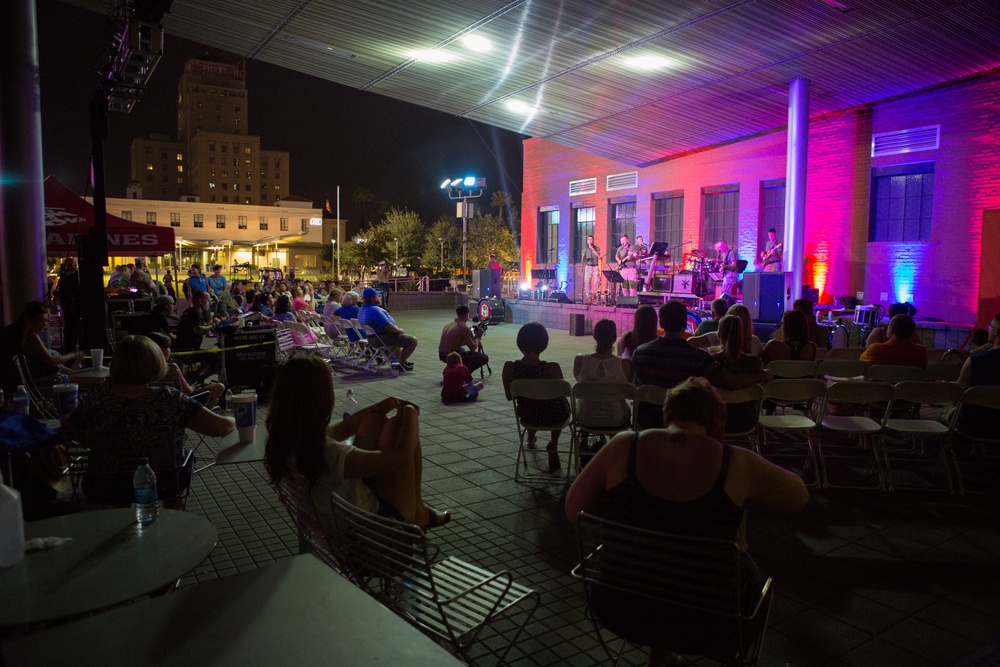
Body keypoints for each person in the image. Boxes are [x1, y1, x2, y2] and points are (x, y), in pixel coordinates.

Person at [564, 377, 808, 667]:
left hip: (620, 606)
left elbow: (573, 509)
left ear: (667, 413)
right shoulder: (735, 462)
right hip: (712, 622)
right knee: (738, 557)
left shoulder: (624, 446)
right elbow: (798, 497)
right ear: (718, 422)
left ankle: (661, 654)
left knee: (657, 562)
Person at [264, 355, 450, 533]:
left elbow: (344, 428)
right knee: (399, 430)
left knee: (374, 421)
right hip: (382, 535)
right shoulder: (328, 454)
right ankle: (419, 514)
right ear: (320, 398)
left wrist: (387, 403)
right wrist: (409, 414)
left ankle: (419, 511)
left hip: (347, 522)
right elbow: (400, 456)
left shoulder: (291, 438)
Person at [69, 335, 234, 505]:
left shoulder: (97, 395)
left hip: (104, 482)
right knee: (178, 464)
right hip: (164, 483)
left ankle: (120, 514)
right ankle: (173, 516)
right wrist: (233, 419)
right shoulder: (169, 399)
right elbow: (220, 428)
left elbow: (74, 430)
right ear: (155, 363)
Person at [632, 301, 771, 429]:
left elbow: (635, 386)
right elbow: (731, 383)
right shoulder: (698, 357)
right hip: (684, 423)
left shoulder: (640, 353)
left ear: (661, 323)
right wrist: (763, 374)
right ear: (684, 323)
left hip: (647, 421)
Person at [502, 322, 571, 471]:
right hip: (555, 416)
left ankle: (530, 438)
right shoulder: (552, 368)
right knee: (556, 402)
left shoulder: (510, 368)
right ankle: (553, 443)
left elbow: (510, 396)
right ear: (543, 343)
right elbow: (562, 392)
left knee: (532, 401)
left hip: (528, 416)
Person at [0, 301, 84, 394]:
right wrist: (73, 354)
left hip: (55, 380)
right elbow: (53, 361)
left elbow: (60, 367)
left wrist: (76, 365)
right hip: (50, 383)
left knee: (89, 378)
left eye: (46, 320)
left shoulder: (33, 337)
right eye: (40, 320)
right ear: (29, 321)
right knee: (96, 381)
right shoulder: (32, 337)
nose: (45, 324)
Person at [573, 319, 634, 429]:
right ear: (614, 338)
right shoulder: (625, 364)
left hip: (586, 416)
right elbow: (629, 391)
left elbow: (579, 381)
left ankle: (583, 442)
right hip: (616, 417)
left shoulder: (580, 360)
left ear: (594, 336)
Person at [146, 331, 225, 404]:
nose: (170, 350)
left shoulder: (141, 368)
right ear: (161, 349)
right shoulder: (171, 367)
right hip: (177, 404)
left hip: (152, 404)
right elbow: (187, 391)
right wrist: (193, 387)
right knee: (219, 387)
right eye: (168, 347)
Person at [955, 313, 1000, 436]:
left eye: (990, 326)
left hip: (974, 423)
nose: (988, 328)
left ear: (996, 331)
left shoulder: (975, 360)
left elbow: (958, 393)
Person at [358, 287, 418, 371]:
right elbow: (388, 326)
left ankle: (400, 361)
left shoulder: (362, 310)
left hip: (372, 338)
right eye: (377, 296)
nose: (379, 297)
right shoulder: (375, 311)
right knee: (413, 341)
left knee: (397, 337)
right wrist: (400, 330)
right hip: (381, 338)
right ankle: (399, 364)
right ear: (372, 298)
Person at [175, 290, 222, 383]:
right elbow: (198, 330)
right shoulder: (196, 312)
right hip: (188, 351)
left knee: (210, 357)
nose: (209, 303)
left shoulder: (188, 311)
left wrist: (209, 325)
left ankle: (196, 377)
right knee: (217, 359)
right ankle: (196, 378)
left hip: (182, 347)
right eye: (208, 301)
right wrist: (213, 326)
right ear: (200, 301)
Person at [860, 314, 928, 367]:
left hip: (880, 384)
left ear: (891, 330)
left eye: (888, 326)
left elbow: (862, 363)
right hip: (908, 385)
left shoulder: (875, 349)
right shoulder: (921, 352)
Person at [438, 304, 489, 373]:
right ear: (466, 314)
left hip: (442, 354)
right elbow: (473, 348)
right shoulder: (463, 327)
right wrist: (478, 336)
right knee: (484, 358)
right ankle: (464, 373)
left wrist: (473, 337)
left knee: (462, 349)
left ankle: (455, 370)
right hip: (451, 356)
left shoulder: (450, 324)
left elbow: (457, 341)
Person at [53, 257, 82, 352]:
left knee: (74, 329)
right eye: (70, 263)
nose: (73, 265)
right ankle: (70, 350)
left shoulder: (70, 275)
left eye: (73, 263)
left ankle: (71, 349)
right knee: (72, 329)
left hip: (71, 305)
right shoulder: (67, 276)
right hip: (69, 305)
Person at [582, 235, 602, 301]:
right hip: (588, 266)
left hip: (595, 266)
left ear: (593, 241)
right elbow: (583, 257)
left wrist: (592, 248)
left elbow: (598, 255)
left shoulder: (597, 248)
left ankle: (596, 295)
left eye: (591, 239)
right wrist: (584, 259)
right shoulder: (585, 249)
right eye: (589, 240)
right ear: (587, 241)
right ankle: (588, 295)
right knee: (587, 281)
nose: (590, 241)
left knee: (597, 281)